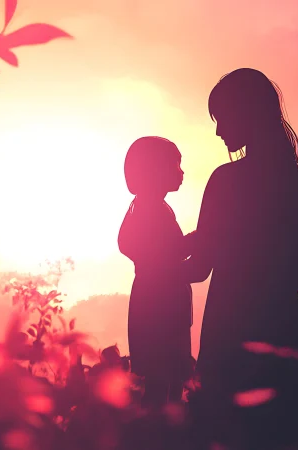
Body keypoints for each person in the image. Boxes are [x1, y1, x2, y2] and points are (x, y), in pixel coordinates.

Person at [182, 68, 298, 448]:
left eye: (221, 118)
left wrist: (157, 263)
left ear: (245, 114)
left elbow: (198, 267)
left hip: (230, 332)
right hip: (284, 332)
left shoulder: (225, 181)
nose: (218, 131)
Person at [118, 136, 194, 407]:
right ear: (155, 170)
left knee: (165, 381)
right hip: (159, 305)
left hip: (159, 301)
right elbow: (167, 250)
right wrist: (195, 241)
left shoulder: (149, 207)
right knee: (163, 383)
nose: (182, 172)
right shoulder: (150, 209)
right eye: (176, 165)